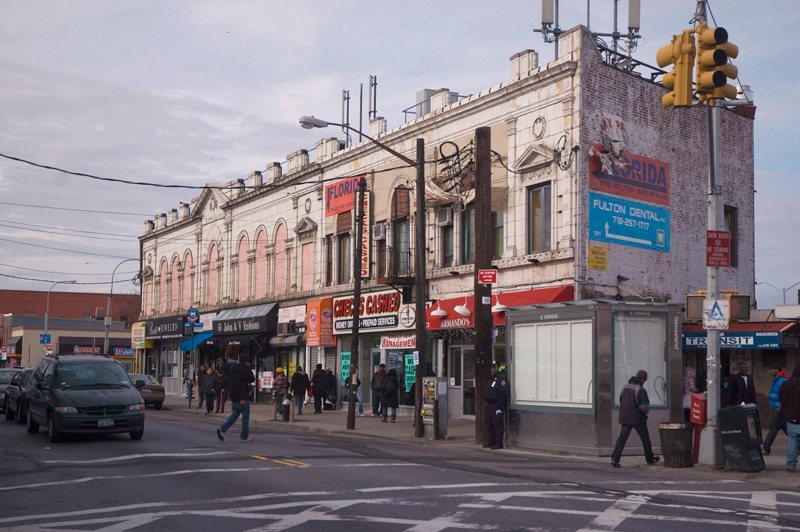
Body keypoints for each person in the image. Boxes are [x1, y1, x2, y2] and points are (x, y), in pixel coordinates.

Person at [610, 370, 660, 467]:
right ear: (642, 379)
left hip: (625, 417)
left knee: (622, 438)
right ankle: (650, 459)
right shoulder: (640, 389)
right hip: (637, 418)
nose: (644, 382)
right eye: (644, 380)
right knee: (645, 439)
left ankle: (615, 459)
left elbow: (621, 400)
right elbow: (643, 406)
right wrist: (646, 412)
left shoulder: (625, 387)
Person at [217, 354, 255, 443]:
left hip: (234, 398)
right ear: (246, 361)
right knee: (245, 417)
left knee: (234, 415)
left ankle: (222, 429)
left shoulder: (233, 370)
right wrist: (249, 368)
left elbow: (229, 383)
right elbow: (252, 379)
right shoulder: (245, 370)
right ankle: (244, 436)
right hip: (243, 397)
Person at [779, 364, 800, 472]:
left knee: (792, 441)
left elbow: (781, 398)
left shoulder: (785, 384)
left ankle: (791, 465)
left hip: (790, 418)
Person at [764, 364, 789, 455]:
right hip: (779, 408)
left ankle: (766, 448)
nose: (770, 371)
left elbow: (782, 396)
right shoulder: (778, 380)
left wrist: (769, 396)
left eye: (772, 369)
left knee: (773, 429)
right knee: (787, 429)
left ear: (777, 370)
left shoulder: (781, 381)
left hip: (779, 408)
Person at [482, 362, 508, 450]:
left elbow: (503, 392)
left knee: (498, 424)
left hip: (497, 404)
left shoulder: (501, 378)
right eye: (492, 368)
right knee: (490, 424)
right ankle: (491, 441)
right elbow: (487, 390)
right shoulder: (492, 378)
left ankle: (499, 443)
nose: (494, 369)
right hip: (490, 404)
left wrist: (493, 397)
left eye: (495, 367)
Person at [683, 355, 698, 422]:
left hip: (685, 395)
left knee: (686, 411)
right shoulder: (691, 379)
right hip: (690, 395)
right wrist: (697, 390)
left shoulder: (685, 378)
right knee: (691, 411)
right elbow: (692, 388)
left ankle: (686, 422)